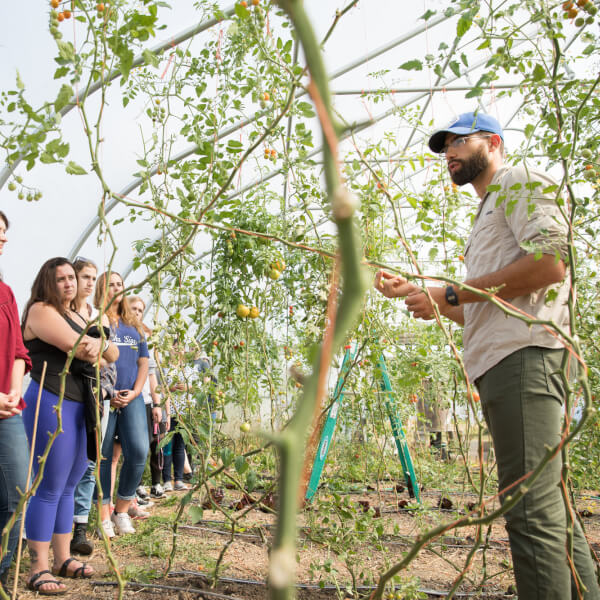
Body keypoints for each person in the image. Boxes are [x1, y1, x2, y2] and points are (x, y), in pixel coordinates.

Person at [375, 111, 600, 600]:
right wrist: (430, 295)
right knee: (549, 510)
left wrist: (452, 293)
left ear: (493, 143)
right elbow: (489, 307)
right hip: (508, 363)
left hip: (525, 361)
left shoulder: (518, 182)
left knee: (529, 510)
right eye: (443, 148)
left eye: (458, 142)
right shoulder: (488, 213)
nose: (448, 153)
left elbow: (550, 263)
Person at [21, 257, 116, 594]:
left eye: (71, 278)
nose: (69, 284)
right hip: (51, 399)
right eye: (60, 279)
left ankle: (62, 559)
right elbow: (83, 351)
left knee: (70, 483)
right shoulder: (41, 310)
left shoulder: (79, 314)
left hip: (81, 405)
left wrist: (100, 345)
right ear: (48, 282)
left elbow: (113, 353)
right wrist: (98, 345)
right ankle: (38, 567)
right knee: (48, 485)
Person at [70, 258, 119, 555]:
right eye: (82, 277)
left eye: (91, 277)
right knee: (63, 462)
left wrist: (103, 386)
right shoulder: (60, 313)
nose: (87, 282)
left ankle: (79, 528)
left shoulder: (99, 317)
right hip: (69, 393)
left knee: (89, 462)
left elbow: (108, 359)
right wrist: (96, 355)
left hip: (96, 395)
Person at [95, 271, 149, 537]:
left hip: (131, 397)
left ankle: (122, 510)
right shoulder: (99, 321)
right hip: (105, 397)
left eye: (119, 284)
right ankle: (104, 515)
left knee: (138, 451)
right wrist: (109, 392)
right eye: (109, 285)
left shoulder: (133, 326)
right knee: (103, 456)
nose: (115, 288)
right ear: (100, 290)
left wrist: (136, 392)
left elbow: (143, 363)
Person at [0, 211, 31, 594]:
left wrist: (13, 392)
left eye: (4, 232)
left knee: (14, 496)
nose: (2, 238)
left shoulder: (5, 292)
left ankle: (2, 573)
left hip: (8, 410)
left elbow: (19, 351)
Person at [127, 296, 170, 500]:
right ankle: (132, 489)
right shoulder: (120, 332)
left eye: (140, 310)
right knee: (130, 449)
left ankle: (143, 486)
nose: (137, 312)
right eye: (133, 308)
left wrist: (157, 404)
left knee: (150, 445)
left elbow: (151, 374)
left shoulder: (145, 337)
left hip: (143, 400)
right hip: (125, 398)